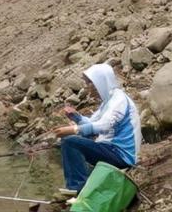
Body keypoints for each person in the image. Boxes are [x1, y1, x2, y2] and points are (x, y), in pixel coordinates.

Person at [52, 63, 141, 196]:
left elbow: (104, 126)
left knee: (70, 141)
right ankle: (82, 183)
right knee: (73, 140)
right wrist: (76, 117)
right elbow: (93, 123)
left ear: (101, 81)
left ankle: (77, 189)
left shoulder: (119, 100)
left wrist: (73, 129)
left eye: (90, 83)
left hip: (121, 156)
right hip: (110, 149)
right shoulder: (108, 101)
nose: (88, 87)